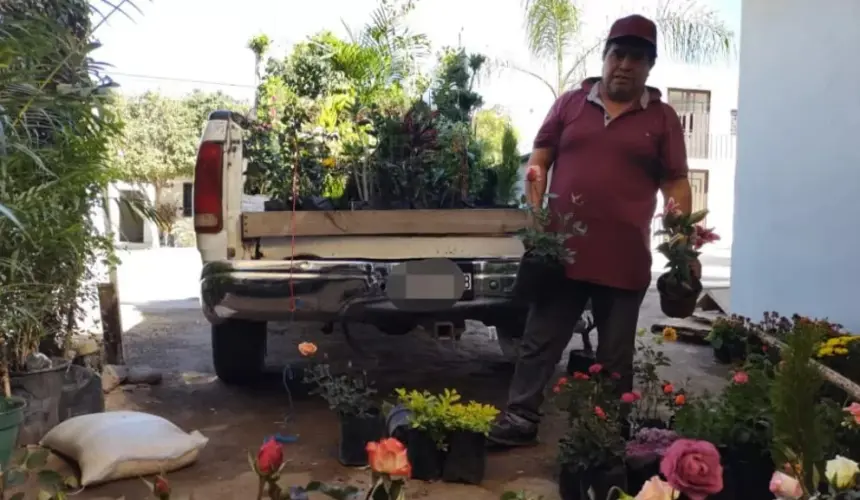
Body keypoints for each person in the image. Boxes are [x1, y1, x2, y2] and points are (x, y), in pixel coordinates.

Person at [488, 14, 701, 447]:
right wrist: (537, 214)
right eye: (618, 54)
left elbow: (675, 183)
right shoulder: (569, 104)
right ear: (604, 58)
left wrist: (683, 244)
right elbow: (540, 159)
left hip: (624, 260)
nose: (625, 65)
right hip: (561, 255)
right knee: (539, 342)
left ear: (649, 67)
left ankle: (604, 433)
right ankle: (521, 418)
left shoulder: (661, 119)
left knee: (615, 357)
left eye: (637, 58)